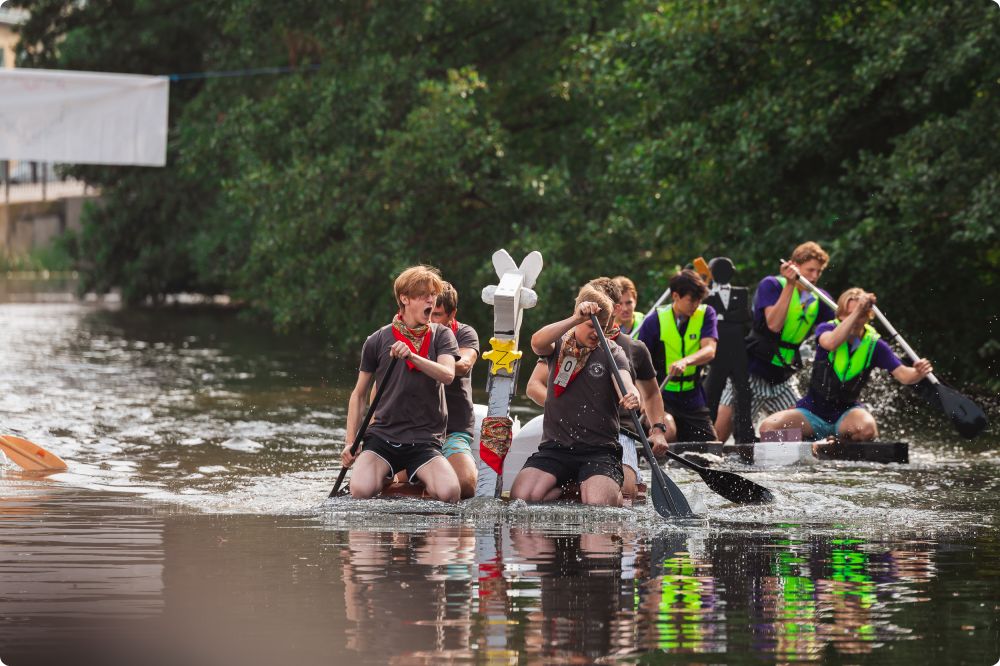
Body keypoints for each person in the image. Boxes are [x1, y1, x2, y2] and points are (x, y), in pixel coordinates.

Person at [525, 277, 671, 499]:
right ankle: (573, 487)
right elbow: (534, 384)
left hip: (620, 433)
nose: (597, 310)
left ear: (615, 308)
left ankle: (621, 490)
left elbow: (648, 393)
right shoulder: (564, 343)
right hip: (566, 435)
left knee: (623, 491)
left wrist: (658, 430)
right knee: (525, 494)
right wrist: (564, 408)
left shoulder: (631, 348)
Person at [341, 265, 462, 502]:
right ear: (404, 299)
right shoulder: (376, 340)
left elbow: (448, 375)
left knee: (450, 493)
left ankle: (401, 483)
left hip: (425, 439)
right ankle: (385, 477)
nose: (431, 300)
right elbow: (358, 395)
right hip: (383, 437)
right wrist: (350, 443)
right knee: (360, 491)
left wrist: (412, 356)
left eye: (433, 295)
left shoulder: (442, 335)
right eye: (423, 295)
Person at [511, 285, 640, 507]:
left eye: (603, 328)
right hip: (556, 448)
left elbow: (625, 382)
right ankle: (568, 487)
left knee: (598, 505)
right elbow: (536, 343)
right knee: (521, 499)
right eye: (591, 325)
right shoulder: (558, 345)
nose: (595, 333)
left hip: (599, 451)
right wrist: (574, 319)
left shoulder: (613, 351)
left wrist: (632, 395)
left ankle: (605, 491)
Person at [759, 288, 933, 441]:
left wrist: (918, 372)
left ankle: (839, 442)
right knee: (768, 428)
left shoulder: (875, 344)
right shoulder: (826, 329)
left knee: (867, 430)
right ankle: (806, 441)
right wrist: (858, 310)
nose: (856, 320)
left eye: (861, 315)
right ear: (840, 315)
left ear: (868, 317)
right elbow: (831, 343)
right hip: (811, 412)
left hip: (846, 414)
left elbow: (904, 375)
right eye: (850, 315)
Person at [715, 242, 835, 441]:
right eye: (809, 270)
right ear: (794, 266)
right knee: (721, 432)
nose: (813, 277)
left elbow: (835, 330)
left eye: (818, 272)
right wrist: (790, 284)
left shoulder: (820, 298)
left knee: (802, 427)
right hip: (750, 372)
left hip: (782, 377)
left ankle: (775, 454)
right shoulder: (771, 285)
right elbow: (774, 324)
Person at [636, 269, 719, 442]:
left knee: (711, 448)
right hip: (661, 395)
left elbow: (710, 350)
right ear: (675, 296)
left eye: (699, 300)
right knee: (668, 431)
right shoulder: (654, 321)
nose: (696, 304)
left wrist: (686, 361)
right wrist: (644, 398)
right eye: (691, 300)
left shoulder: (707, 314)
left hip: (692, 396)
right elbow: (638, 365)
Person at [429, 282, 480, 498]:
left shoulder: (465, 334)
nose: (430, 321)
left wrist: (423, 361)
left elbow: (464, 365)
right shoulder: (408, 331)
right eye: (428, 313)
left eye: (437, 315)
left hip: (453, 428)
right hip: (415, 428)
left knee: (466, 486)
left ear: (452, 315)